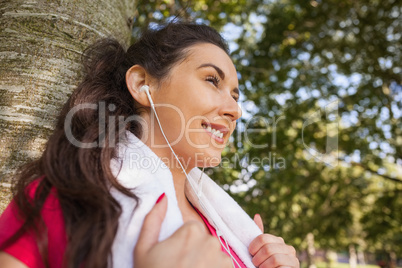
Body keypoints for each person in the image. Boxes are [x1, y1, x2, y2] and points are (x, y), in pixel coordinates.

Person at [0, 21, 299, 268]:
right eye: (211, 80)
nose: (235, 110)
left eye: (235, 95)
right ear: (143, 84)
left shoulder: (231, 233)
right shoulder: (66, 199)